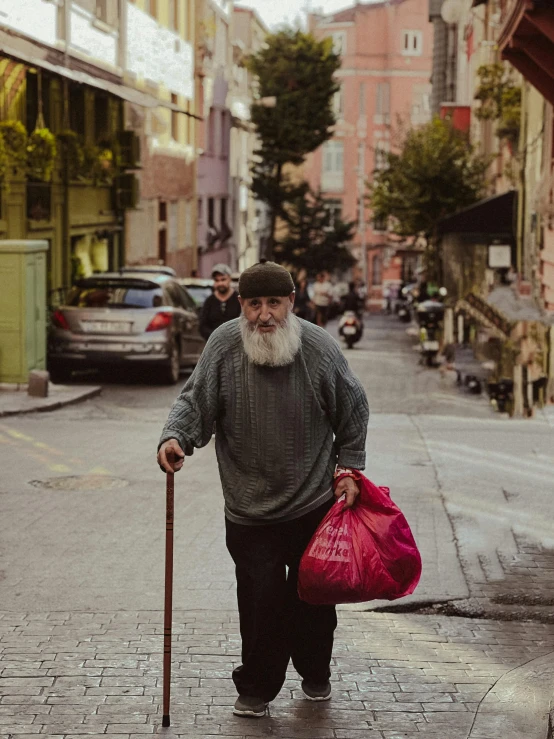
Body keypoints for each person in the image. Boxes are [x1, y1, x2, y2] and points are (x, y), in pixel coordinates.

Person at [157, 261, 369, 719]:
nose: (265, 314)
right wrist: (175, 438)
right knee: (261, 600)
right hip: (249, 509)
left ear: (291, 303)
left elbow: (353, 409)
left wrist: (349, 469)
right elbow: (194, 402)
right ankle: (256, 686)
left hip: (312, 502)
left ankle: (315, 670)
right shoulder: (224, 346)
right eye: (254, 304)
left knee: (313, 599)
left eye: (274, 302)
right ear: (242, 307)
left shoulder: (317, 347)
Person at [199, 263, 241, 340]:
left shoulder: (239, 300)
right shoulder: (209, 301)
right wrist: (215, 337)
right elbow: (203, 326)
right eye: (217, 280)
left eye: (223, 279)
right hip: (214, 345)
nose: (220, 283)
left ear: (229, 279)